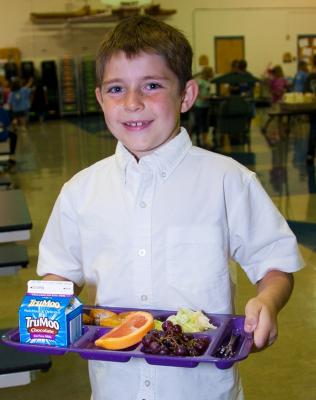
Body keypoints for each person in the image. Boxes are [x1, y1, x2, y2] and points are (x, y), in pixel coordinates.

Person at [37, 16, 303, 400]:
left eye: (152, 85)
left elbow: (274, 261)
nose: (132, 102)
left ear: (186, 95)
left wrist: (268, 300)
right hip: (115, 388)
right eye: (116, 88)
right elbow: (58, 272)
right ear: (100, 99)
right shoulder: (81, 191)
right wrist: (50, 303)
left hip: (202, 389)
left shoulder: (227, 180)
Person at [193, 66, 213, 147]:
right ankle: (198, 139)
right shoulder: (200, 81)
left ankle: (204, 140)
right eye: (211, 72)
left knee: (205, 123)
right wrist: (202, 97)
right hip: (199, 105)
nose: (212, 74)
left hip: (206, 105)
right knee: (199, 123)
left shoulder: (207, 81)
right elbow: (196, 92)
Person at [304, 55, 316, 164]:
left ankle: (310, 154)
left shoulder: (310, 77)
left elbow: (306, 93)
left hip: (313, 108)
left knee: (313, 130)